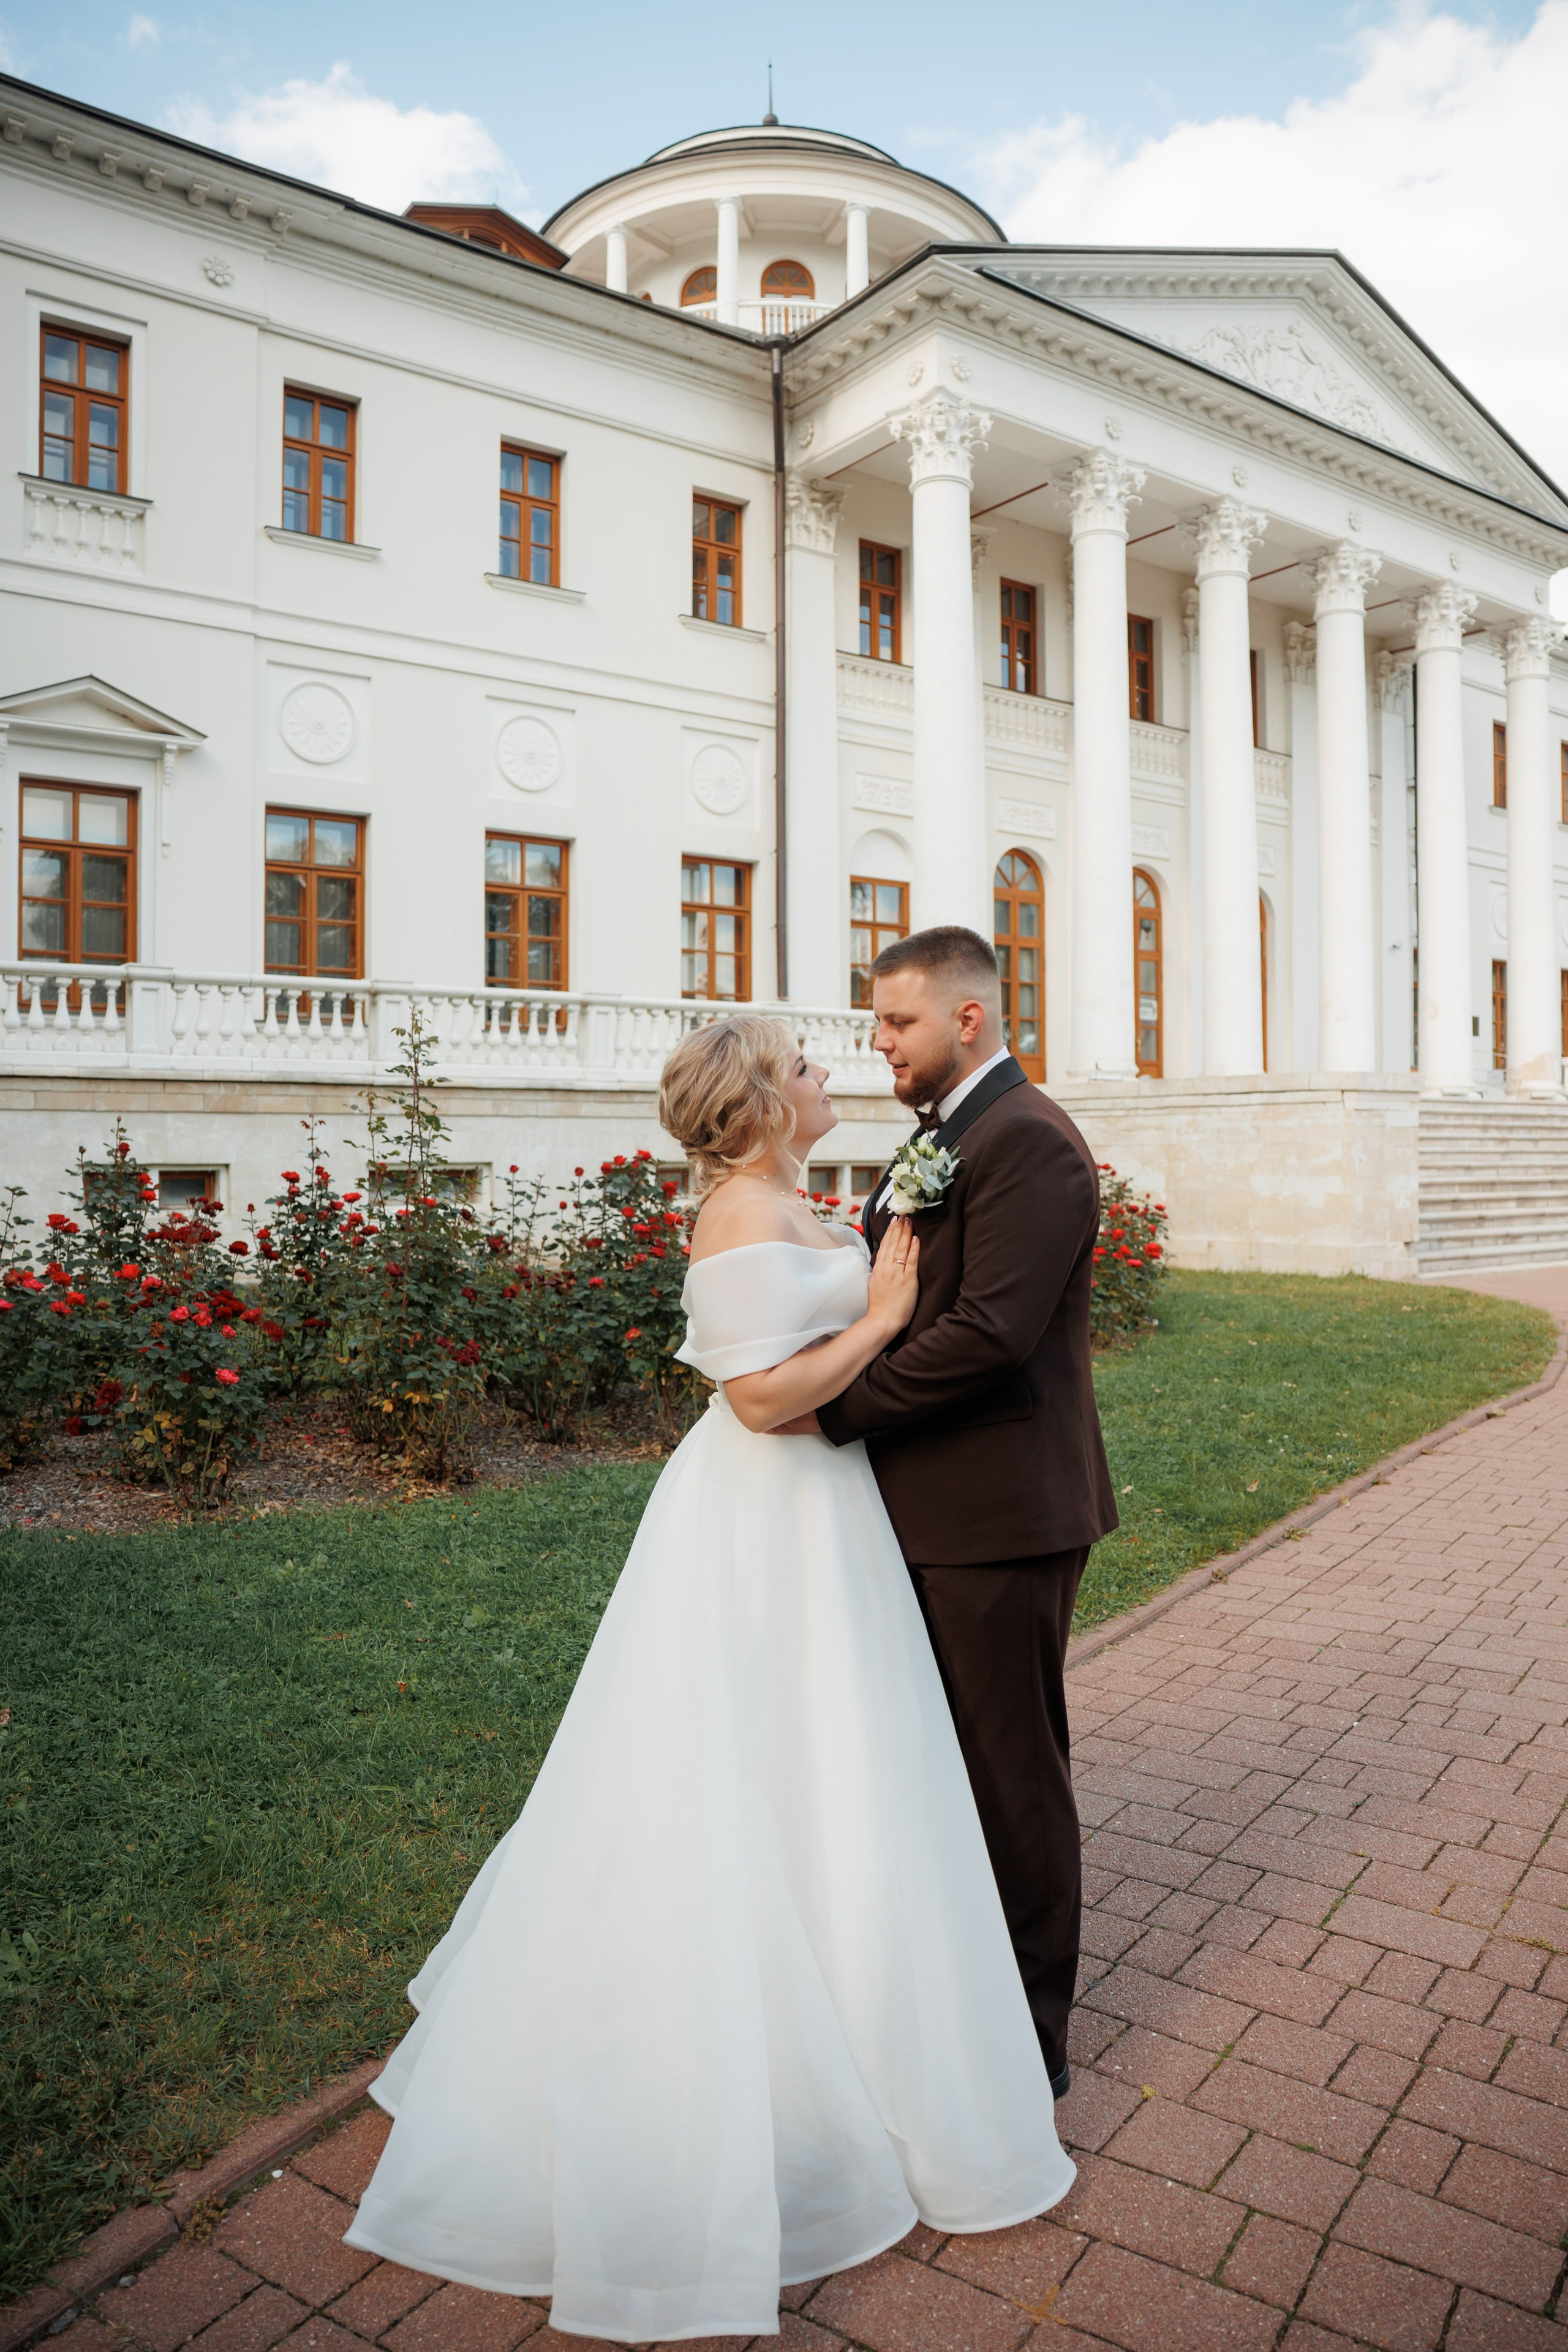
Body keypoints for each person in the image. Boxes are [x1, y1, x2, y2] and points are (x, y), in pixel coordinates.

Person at [344, 1011, 1074, 2346]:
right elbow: (756, 1400)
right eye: (801, 1064)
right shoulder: (740, 1218)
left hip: (825, 1518)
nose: (824, 1073)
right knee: (743, 1769)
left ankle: (854, 2038)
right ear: (754, 1104)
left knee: (837, 1768)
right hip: (758, 1515)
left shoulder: (787, 1200)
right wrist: (892, 1312)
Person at [782, 927, 1118, 2096]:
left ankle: (1030, 2043)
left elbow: (988, 1335)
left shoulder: (1030, 1143)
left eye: (896, 1024)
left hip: (1000, 1514)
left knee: (1011, 1772)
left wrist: (831, 1410)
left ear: (967, 1019)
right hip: (930, 1509)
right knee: (944, 1768)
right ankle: (955, 2002)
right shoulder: (946, 1135)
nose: (878, 1044)